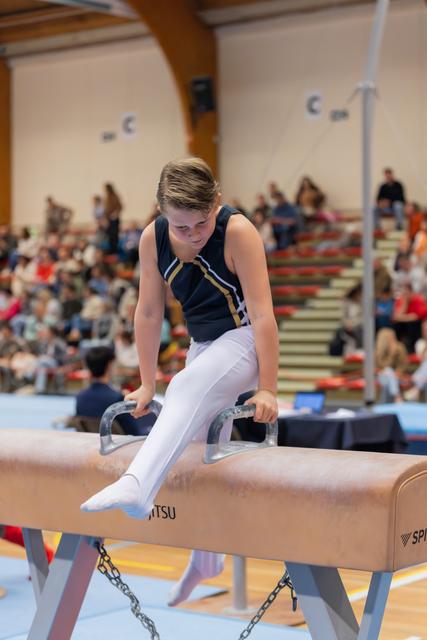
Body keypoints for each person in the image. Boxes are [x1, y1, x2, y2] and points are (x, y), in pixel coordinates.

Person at [81, 157, 278, 606]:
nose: (191, 235)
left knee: (186, 388)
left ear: (218, 203)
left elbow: (264, 314)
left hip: (244, 340)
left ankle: (136, 485)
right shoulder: (152, 237)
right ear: (161, 211)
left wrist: (267, 387)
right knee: (200, 460)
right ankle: (206, 564)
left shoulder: (239, 232)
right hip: (205, 348)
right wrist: (147, 384)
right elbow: (149, 312)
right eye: (181, 227)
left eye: (201, 224)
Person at [76, 346, 153, 436]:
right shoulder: (117, 399)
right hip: (119, 445)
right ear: (109, 365)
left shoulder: (80, 397)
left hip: (93, 442)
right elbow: (134, 432)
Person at [375, 328, 408, 403]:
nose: (394, 339)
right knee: (388, 371)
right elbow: (380, 367)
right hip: (381, 376)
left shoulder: (399, 347)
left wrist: (397, 373)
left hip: (398, 377)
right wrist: (391, 355)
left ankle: (384, 403)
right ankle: (397, 396)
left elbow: (403, 365)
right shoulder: (378, 351)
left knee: (387, 382)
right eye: (391, 337)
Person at [103, 183, 123, 254]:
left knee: (114, 235)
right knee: (109, 235)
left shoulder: (114, 196)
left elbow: (120, 206)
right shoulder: (106, 197)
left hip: (113, 219)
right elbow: (105, 209)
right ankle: (111, 250)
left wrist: (115, 213)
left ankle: (115, 250)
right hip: (108, 219)